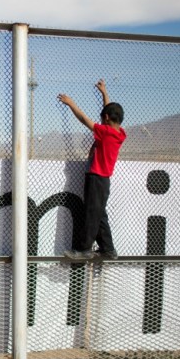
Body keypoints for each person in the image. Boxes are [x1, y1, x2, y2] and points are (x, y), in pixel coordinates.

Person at [57, 80, 126, 260]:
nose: (101, 118)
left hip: (96, 178)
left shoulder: (106, 133)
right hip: (103, 180)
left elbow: (84, 119)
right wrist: (104, 93)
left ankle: (84, 249)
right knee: (99, 213)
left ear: (107, 119)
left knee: (91, 214)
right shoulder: (118, 133)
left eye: (103, 117)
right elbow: (108, 111)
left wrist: (71, 103)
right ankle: (108, 249)